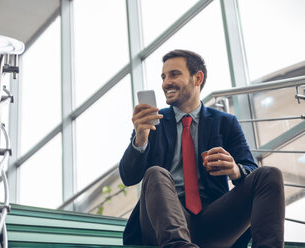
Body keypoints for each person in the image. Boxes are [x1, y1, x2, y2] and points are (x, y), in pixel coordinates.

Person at [119, 49, 285, 248]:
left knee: (269, 174)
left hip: (214, 220)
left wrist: (234, 170)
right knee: (155, 173)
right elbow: (129, 177)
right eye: (163, 77)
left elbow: (250, 168)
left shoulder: (225, 122)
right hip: (163, 222)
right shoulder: (152, 124)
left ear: (197, 78)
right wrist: (139, 140)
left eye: (174, 74)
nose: (165, 83)